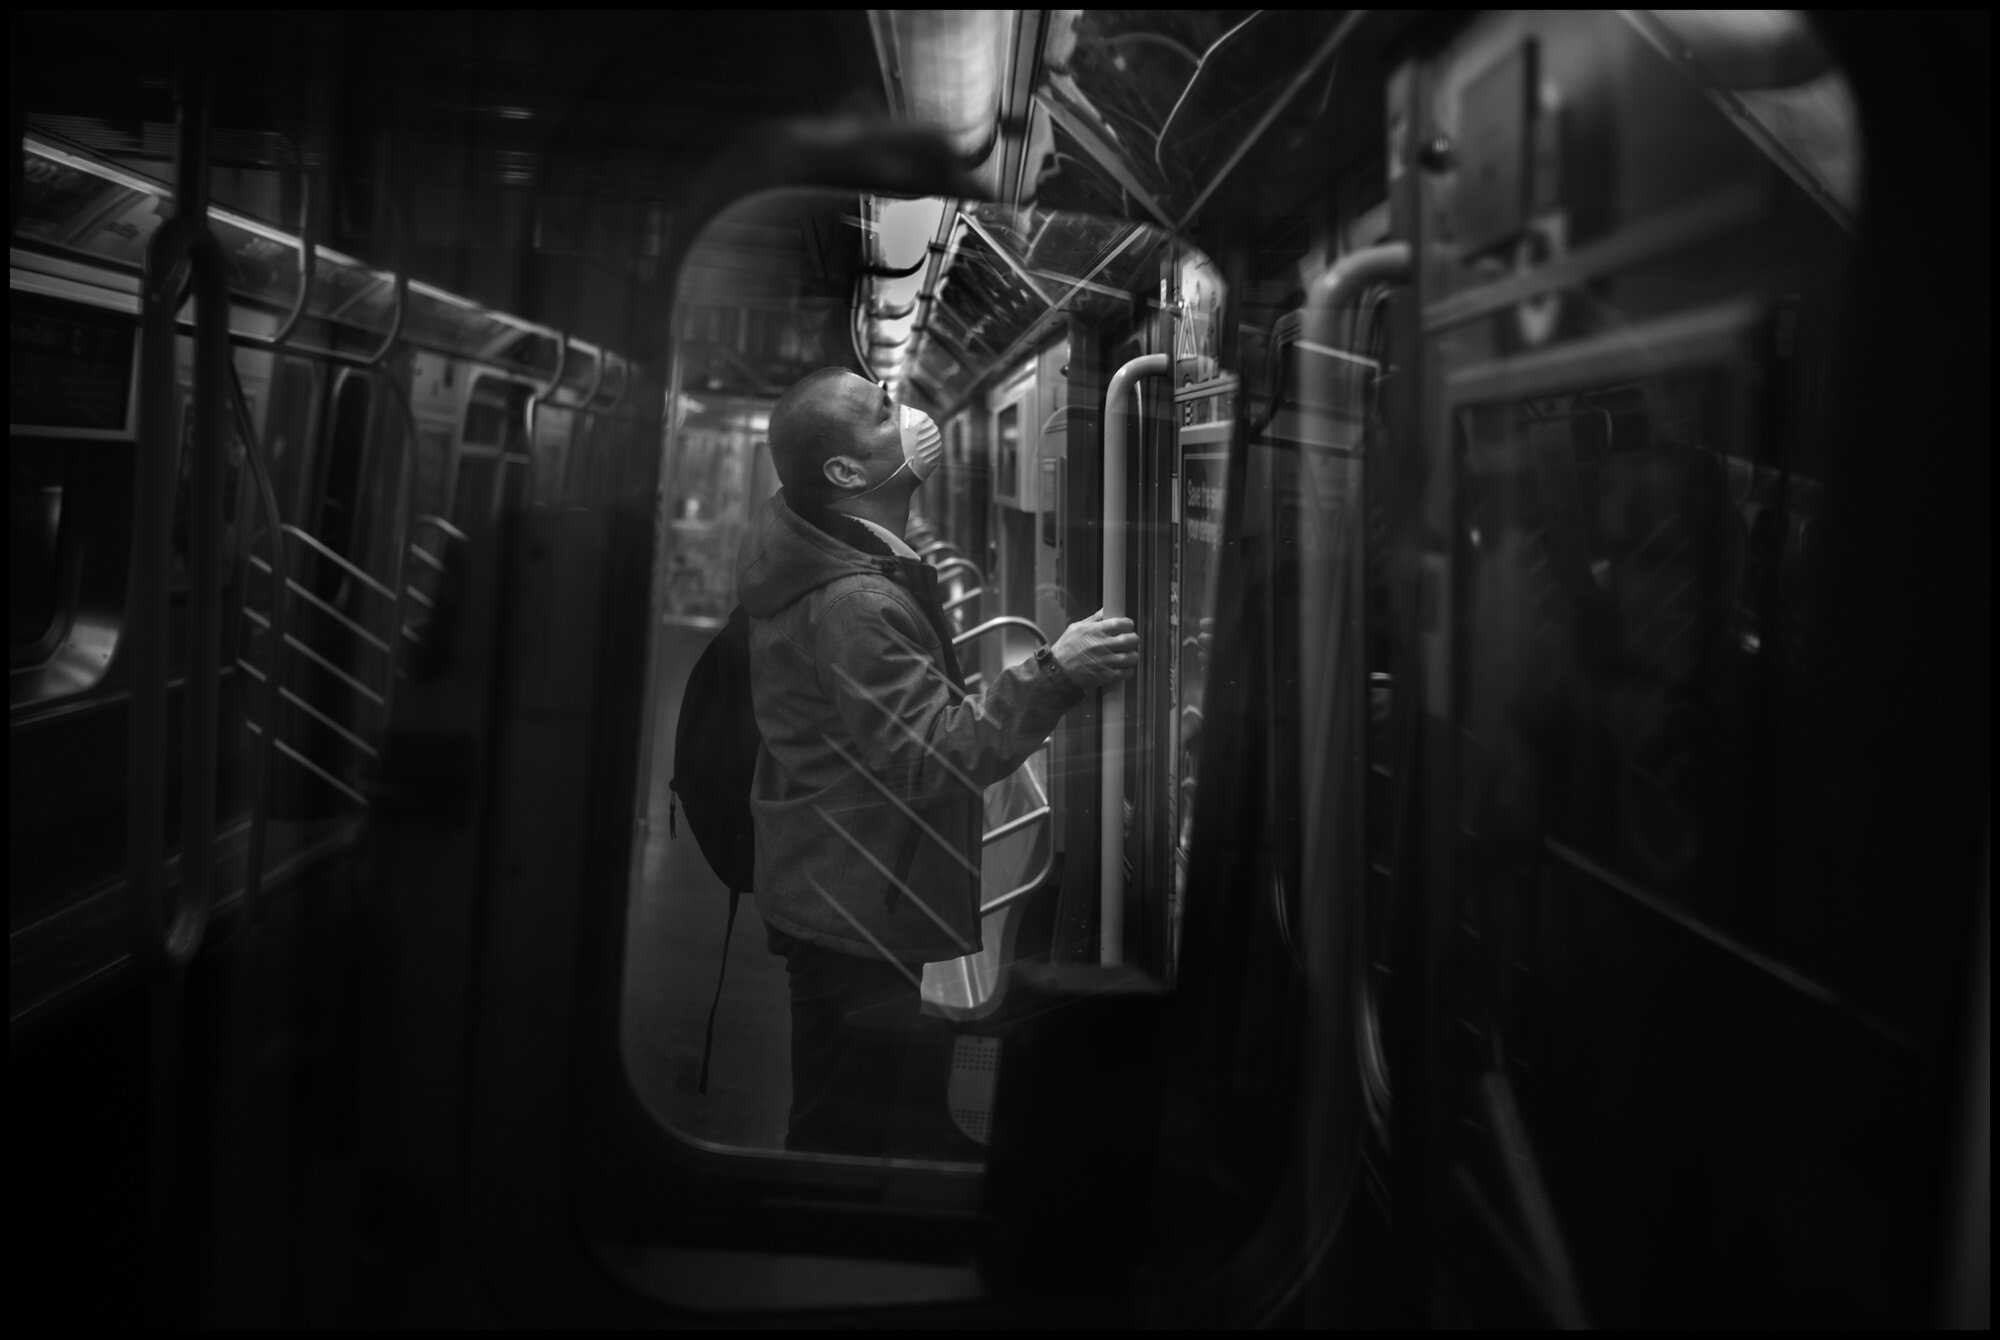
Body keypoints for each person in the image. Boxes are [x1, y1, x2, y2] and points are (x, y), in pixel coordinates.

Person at [736, 367, 1138, 1157]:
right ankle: (817, 1250)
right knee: (843, 1120)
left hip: (843, 880)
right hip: (852, 901)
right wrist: (1055, 672)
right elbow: (931, 755)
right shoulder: (856, 605)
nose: (908, 413)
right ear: (848, 473)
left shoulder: (847, 557)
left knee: (856, 1097)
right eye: (885, 410)